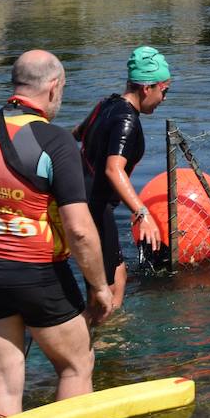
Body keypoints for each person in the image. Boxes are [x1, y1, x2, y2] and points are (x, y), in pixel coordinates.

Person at [0, 50, 114, 418]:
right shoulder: (55, 141)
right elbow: (79, 230)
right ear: (53, 88)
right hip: (38, 273)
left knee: (1, 385)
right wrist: (98, 287)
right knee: (76, 365)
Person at [75, 46, 172, 312]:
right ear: (147, 88)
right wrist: (143, 214)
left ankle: (107, 336)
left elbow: (76, 134)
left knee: (117, 275)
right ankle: (99, 345)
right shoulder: (127, 121)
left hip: (78, 201)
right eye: (164, 91)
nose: (164, 98)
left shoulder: (105, 104)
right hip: (94, 209)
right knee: (104, 292)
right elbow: (113, 169)